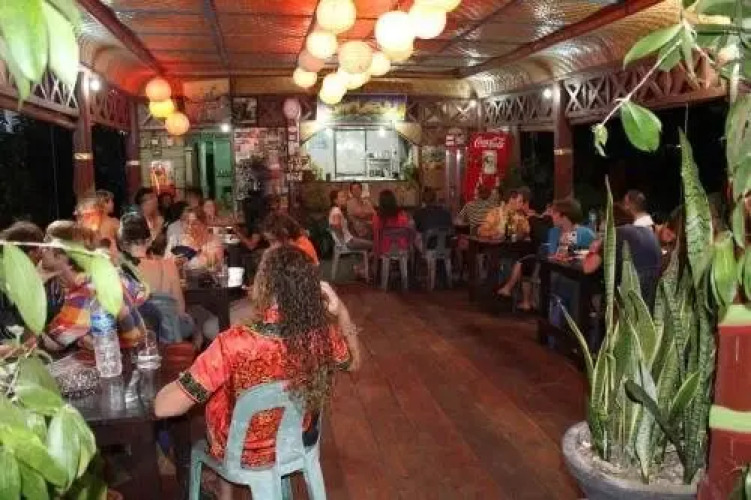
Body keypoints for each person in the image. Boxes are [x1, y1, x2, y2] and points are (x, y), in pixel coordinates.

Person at [154, 246, 360, 498]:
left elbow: (163, 408)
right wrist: (341, 312)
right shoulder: (322, 336)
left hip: (241, 450)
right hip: (294, 440)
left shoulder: (234, 343)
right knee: (232, 394)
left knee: (223, 397)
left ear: (263, 285)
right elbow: (353, 363)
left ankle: (223, 490)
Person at [44, 221, 147, 351]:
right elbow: (140, 295)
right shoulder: (105, 274)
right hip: (128, 352)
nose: (41, 250)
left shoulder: (86, 290)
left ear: (62, 257)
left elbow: (55, 341)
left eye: (46, 246)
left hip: (120, 358)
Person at [119, 214, 218, 348]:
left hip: (134, 335)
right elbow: (180, 309)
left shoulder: (117, 270)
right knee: (194, 318)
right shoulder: (168, 266)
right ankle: (195, 348)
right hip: (170, 334)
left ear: (122, 244)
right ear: (148, 240)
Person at [583, 203, 663, 308]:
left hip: (627, 299)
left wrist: (593, 249)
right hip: (653, 299)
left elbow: (587, 268)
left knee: (592, 292)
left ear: (608, 221)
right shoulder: (646, 231)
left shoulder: (615, 234)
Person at [372, 189, 412, 257]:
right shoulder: (402, 215)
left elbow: (376, 237)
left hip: (385, 250)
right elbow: (407, 232)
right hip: (402, 248)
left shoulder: (377, 217)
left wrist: (376, 252)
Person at [413, 188, 453, 252]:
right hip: (445, 248)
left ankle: (416, 258)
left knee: (414, 236)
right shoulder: (446, 213)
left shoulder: (419, 213)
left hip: (428, 248)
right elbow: (451, 230)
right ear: (436, 199)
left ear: (423, 200)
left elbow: (417, 228)